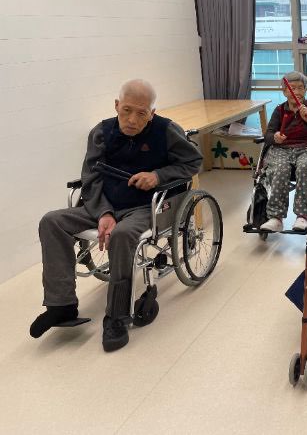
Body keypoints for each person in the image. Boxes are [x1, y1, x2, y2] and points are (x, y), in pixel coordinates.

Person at [30, 79, 203, 352]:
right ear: (116, 106)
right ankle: (61, 305)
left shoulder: (167, 131)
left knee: (122, 235)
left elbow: (193, 162)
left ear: (152, 113)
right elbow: (91, 178)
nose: (132, 120)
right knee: (51, 221)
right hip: (103, 203)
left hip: (145, 207)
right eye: (126, 110)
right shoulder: (101, 133)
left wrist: (158, 175)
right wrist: (104, 213)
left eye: (141, 113)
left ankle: (117, 316)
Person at [260, 71, 307, 233]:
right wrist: (275, 137)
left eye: (300, 88)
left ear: (305, 90)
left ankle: (302, 216)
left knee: (305, 167)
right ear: (285, 92)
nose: (296, 92)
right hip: (281, 149)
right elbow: (268, 135)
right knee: (280, 168)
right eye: (292, 88)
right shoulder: (279, 110)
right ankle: (276, 218)